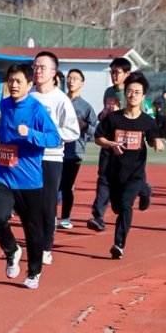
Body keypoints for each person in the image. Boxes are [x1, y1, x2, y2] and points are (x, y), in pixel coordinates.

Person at [0, 63, 61, 289]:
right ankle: (12, 249)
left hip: (29, 180)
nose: (13, 85)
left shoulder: (36, 110)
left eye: (18, 81)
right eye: (11, 80)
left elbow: (54, 138)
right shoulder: (4, 104)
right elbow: (4, 128)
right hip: (3, 174)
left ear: (29, 84)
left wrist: (31, 133)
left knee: (33, 230)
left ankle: (34, 272)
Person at [95, 72, 164, 258]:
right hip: (115, 172)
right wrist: (110, 144)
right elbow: (98, 137)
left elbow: (152, 139)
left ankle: (119, 244)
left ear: (143, 96)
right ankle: (145, 190)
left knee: (126, 206)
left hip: (135, 173)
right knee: (117, 207)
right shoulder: (113, 119)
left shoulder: (148, 122)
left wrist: (156, 142)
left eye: (137, 92)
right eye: (130, 91)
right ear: (125, 93)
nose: (133, 95)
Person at [30, 51, 80, 265]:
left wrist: (47, 136)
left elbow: (73, 131)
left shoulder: (61, 100)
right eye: (35, 67)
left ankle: (46, 248)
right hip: (28, 158)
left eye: (42, 67)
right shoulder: (28, 95)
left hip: (51, 158)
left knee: (47, 206)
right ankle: (33, 242)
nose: (37, 71)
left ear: (53, 72)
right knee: (28, 206)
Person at [89, 57, 150, 229]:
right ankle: (98, 216)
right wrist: (104, 114)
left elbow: (142, 117)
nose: (114, 76)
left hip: (130, 143)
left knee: (133, 176)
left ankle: (144, 190)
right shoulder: (109, 92)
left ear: (127, 74)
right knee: (104, 176)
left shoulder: (134, 93)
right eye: (112, 72)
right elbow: (105, 115)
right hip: (110, 141)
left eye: (117, 72)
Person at [58, 68, 97, 230]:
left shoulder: (86, 107)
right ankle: (49, 216)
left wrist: (85, 126)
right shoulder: (59, 100)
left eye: (75, 78)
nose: (71, 81)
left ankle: (65, 218)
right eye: (69, 78)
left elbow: (96, 131)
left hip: (75, 152)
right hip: (55, 150)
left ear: (82, 83)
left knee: (66, 186)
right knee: (53, 185)